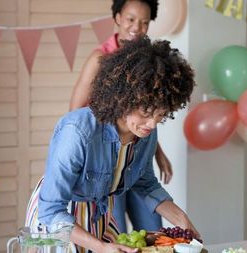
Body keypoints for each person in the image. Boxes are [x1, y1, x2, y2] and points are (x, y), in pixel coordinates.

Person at [34, 37, 198, 253]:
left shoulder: (146, 132)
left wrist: (182, 220)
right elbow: (51, 209)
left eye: (161, 115)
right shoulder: (77, 131)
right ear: (124, 98)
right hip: (59, 223)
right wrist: (101, 247)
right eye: (146, 113)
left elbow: (145, 184)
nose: (152, 124)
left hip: (99, 215)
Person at [69, 0, 172, 233]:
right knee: (116, 236)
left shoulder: (148, 64)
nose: (137, 27)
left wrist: (159, 153)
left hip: (137, 164)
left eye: (145, 22)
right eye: (131, 19)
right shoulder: (100, 59)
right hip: (105, 165)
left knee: (153, 232)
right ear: (117, 17)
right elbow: (75, 112)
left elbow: (146, 117)